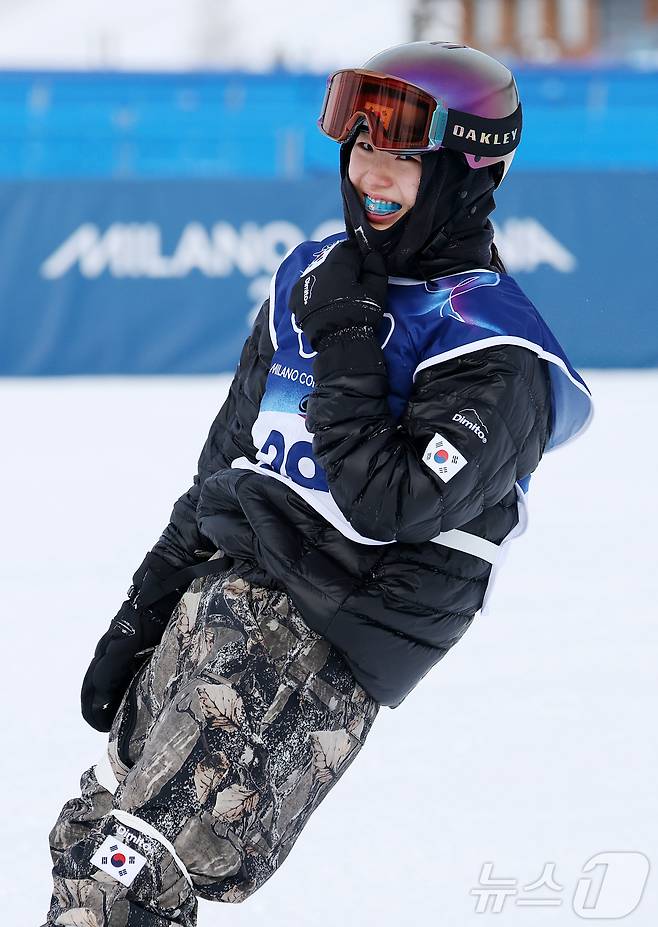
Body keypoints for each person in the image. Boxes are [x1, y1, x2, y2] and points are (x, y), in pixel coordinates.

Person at [43, 41, 593, 926]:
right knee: (87, 842)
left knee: (124, 879)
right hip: (220, 608)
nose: (371, 173)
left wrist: (347, 343)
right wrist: (147, 605)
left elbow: (390, 505)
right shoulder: (311, 276)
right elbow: (228, 466)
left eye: (402, 156)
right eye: (361, 145)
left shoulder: (495, 351)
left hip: (314, 653)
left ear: (468, 172)